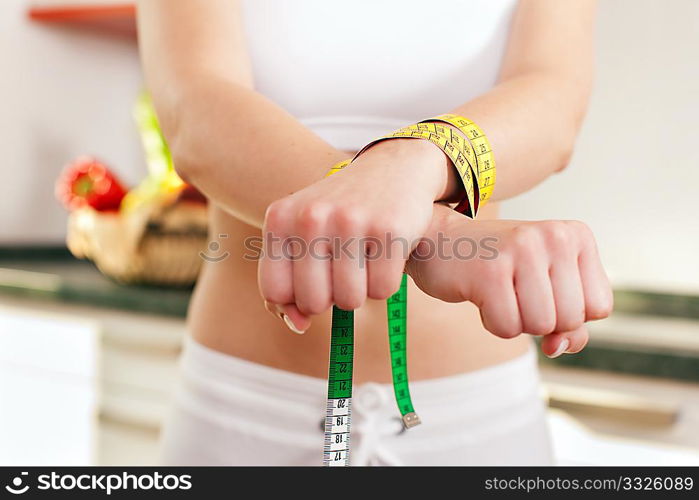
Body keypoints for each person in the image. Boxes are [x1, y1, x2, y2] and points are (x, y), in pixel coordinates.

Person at [137, 0, 611, 465]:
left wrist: (414, 162)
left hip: (476, 419)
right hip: (243, 411)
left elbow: (553, 99)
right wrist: (437, 236)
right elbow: (195, 111)